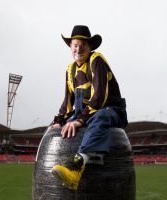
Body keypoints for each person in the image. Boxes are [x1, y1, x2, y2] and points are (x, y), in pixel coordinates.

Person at [50, 25, 128, 190]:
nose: (78, 49)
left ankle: (76, 169)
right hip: (85, 113)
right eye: (75, 45)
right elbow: (68, 102)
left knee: (100, 116)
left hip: (110, 110)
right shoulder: (70, 70)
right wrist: (59, 120)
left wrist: (79, 120)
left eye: (83, 45)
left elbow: (99, 97)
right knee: (57, 125)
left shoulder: (97, 60)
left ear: (90, 47)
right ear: (70, 47)